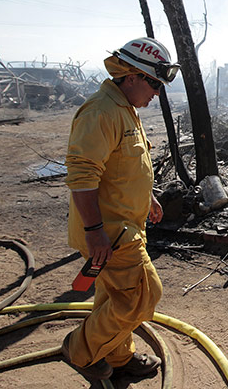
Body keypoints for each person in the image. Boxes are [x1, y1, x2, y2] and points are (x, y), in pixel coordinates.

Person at [61, 37, 180, 380]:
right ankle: (79, 350)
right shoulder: (101, 112)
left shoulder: (123, 108)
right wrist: (94, 232)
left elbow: (123, 167)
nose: (156, 93)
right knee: (142, 297)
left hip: (125, 224)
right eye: (154, 83)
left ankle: (117, 356)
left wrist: (148, 197)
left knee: (113, 296)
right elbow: (82, 176)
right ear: (131, 76)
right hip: (110, 233)